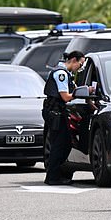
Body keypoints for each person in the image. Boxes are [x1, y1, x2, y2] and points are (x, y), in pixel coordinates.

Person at [42, 50, 92, 185]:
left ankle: (55, 175)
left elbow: (76, 89)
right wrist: (79, 93)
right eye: (80, 64)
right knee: (59, 145)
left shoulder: (67, 74)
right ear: (73, 60)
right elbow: (66, 97)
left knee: (65, 144)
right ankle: (52, 177)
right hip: (55, 113)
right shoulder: (61, 74)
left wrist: (87, 92)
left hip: (58, 112)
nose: (80, 67)